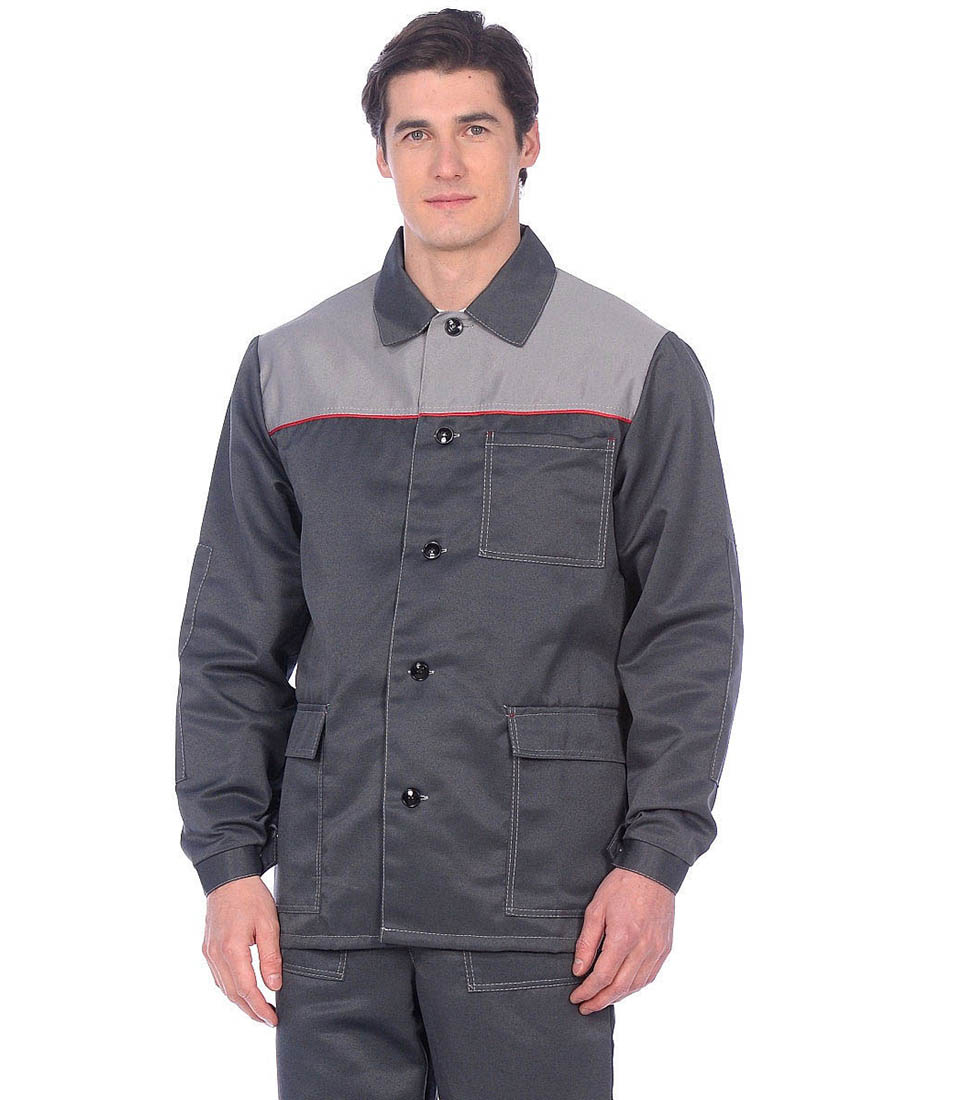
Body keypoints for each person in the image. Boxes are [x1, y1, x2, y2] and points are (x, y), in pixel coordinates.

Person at [174, 9, 743, 1099]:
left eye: (474, 128)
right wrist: (228, 862)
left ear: (528, 142)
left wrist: (656, 860)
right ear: (380, 155)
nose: (445, 163)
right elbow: (230, 637)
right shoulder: (289, 369)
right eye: (416, 133)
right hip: (335, 904)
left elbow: (688, 629)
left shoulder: (636, 365)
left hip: (541, 902)